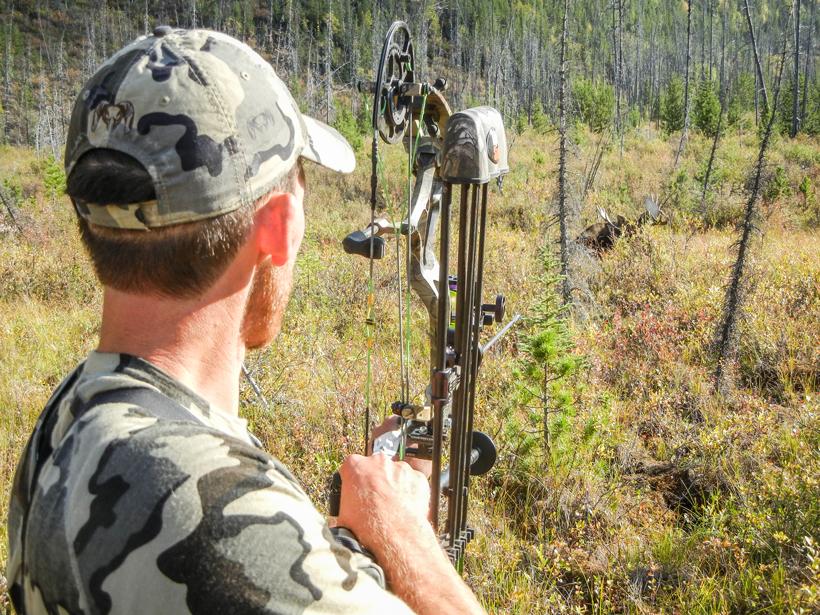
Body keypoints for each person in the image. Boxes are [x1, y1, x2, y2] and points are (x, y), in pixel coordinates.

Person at [6, 27, 485, 615]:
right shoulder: (230, 516)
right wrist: (406, 538)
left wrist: (344, 553)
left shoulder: (65, 424)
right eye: (301, 186)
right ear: (279, 226)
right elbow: (239, 556)